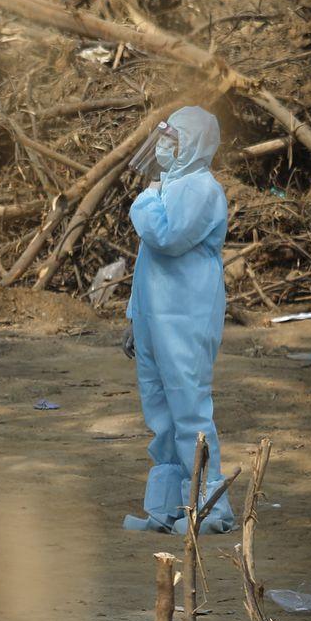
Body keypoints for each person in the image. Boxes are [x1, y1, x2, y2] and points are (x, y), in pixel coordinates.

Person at [122, 104, 236, 534]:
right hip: (155, 317)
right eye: (163, 141)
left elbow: (166, 237)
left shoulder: (201, 189)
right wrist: (134, 317)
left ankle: (210, 508)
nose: (164, 148)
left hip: (186, 317)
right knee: (161, 412)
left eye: (172, 141)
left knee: (189, 410)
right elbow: (145, 263)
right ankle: (166, 509)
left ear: (193, 145)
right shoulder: (168, 186)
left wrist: (145, 199)